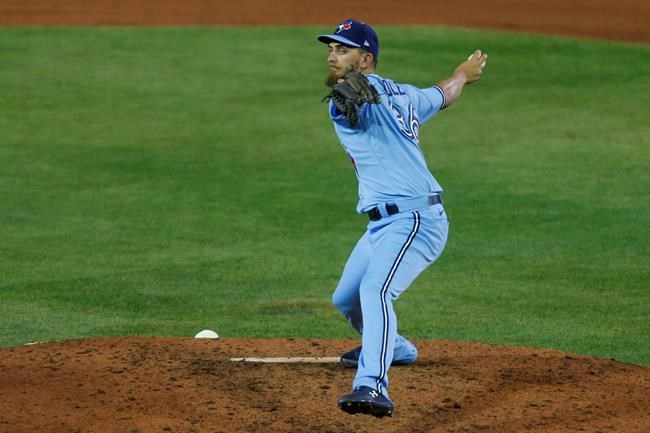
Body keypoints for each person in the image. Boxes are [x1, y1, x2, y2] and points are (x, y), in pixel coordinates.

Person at [316, 19, 487, 418]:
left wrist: (460, 77)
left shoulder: (355, 101)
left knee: (376, 290)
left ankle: (372, 384)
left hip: (416, 219)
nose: (331, 55)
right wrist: (463, 74)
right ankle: (394, 347)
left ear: (366, 58)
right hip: (381, 225)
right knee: (346, 299)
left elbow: (355, 104)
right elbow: (443, 94)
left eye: (342, 50)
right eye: (331, 48)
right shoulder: (405, 96)